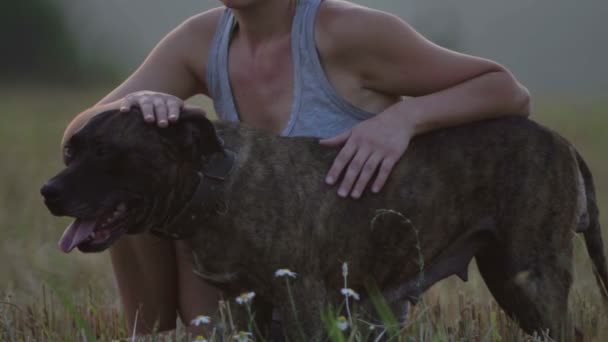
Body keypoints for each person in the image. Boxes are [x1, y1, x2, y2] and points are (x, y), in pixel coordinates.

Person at [90, 0, 530, 334]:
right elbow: (81, 138)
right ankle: (161, 335)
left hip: (339, 299)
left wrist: (403, 120)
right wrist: (135, 105)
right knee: (132, 166)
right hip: (239, 288)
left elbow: (505, 90)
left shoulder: (348, 32)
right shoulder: (200, 39)